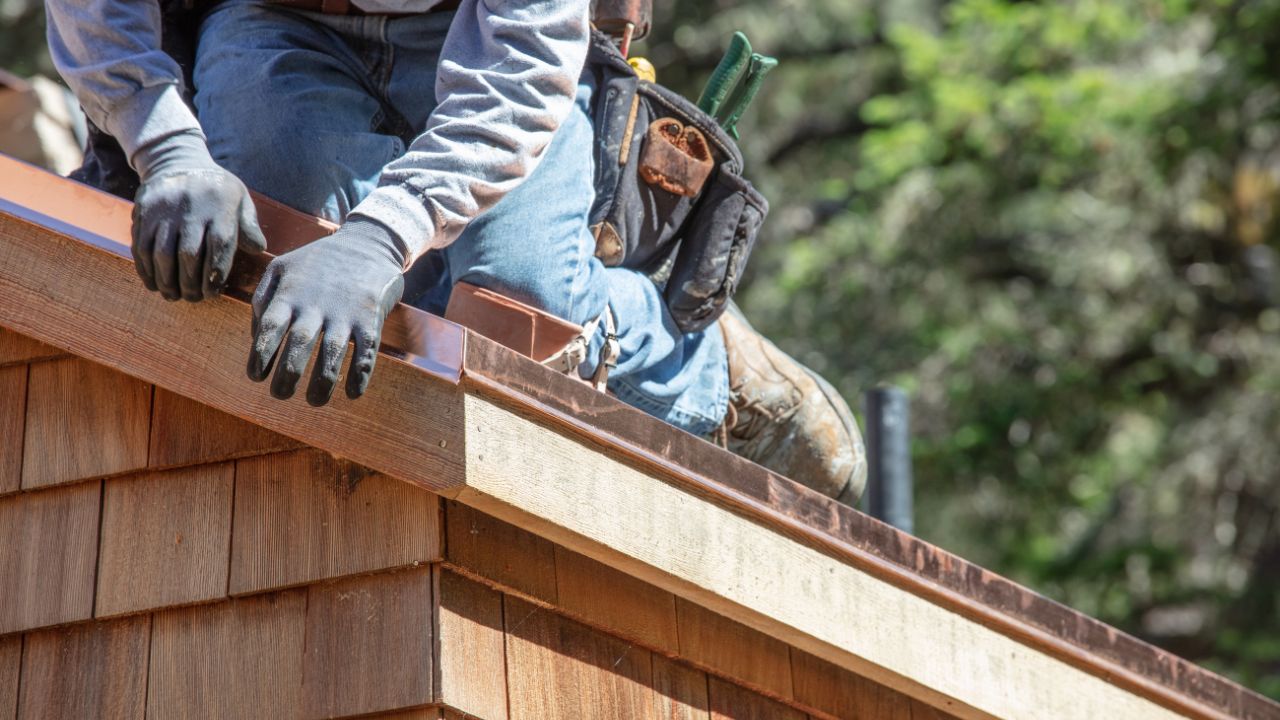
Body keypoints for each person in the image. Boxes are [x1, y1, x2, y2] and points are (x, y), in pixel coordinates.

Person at [44, 0, 866, 502]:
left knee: (513, 322)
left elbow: (518, 73)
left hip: (490, 41)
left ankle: (704, 371)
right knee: (274, 255)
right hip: (273, 25)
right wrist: (167, 149)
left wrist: (377, 239)